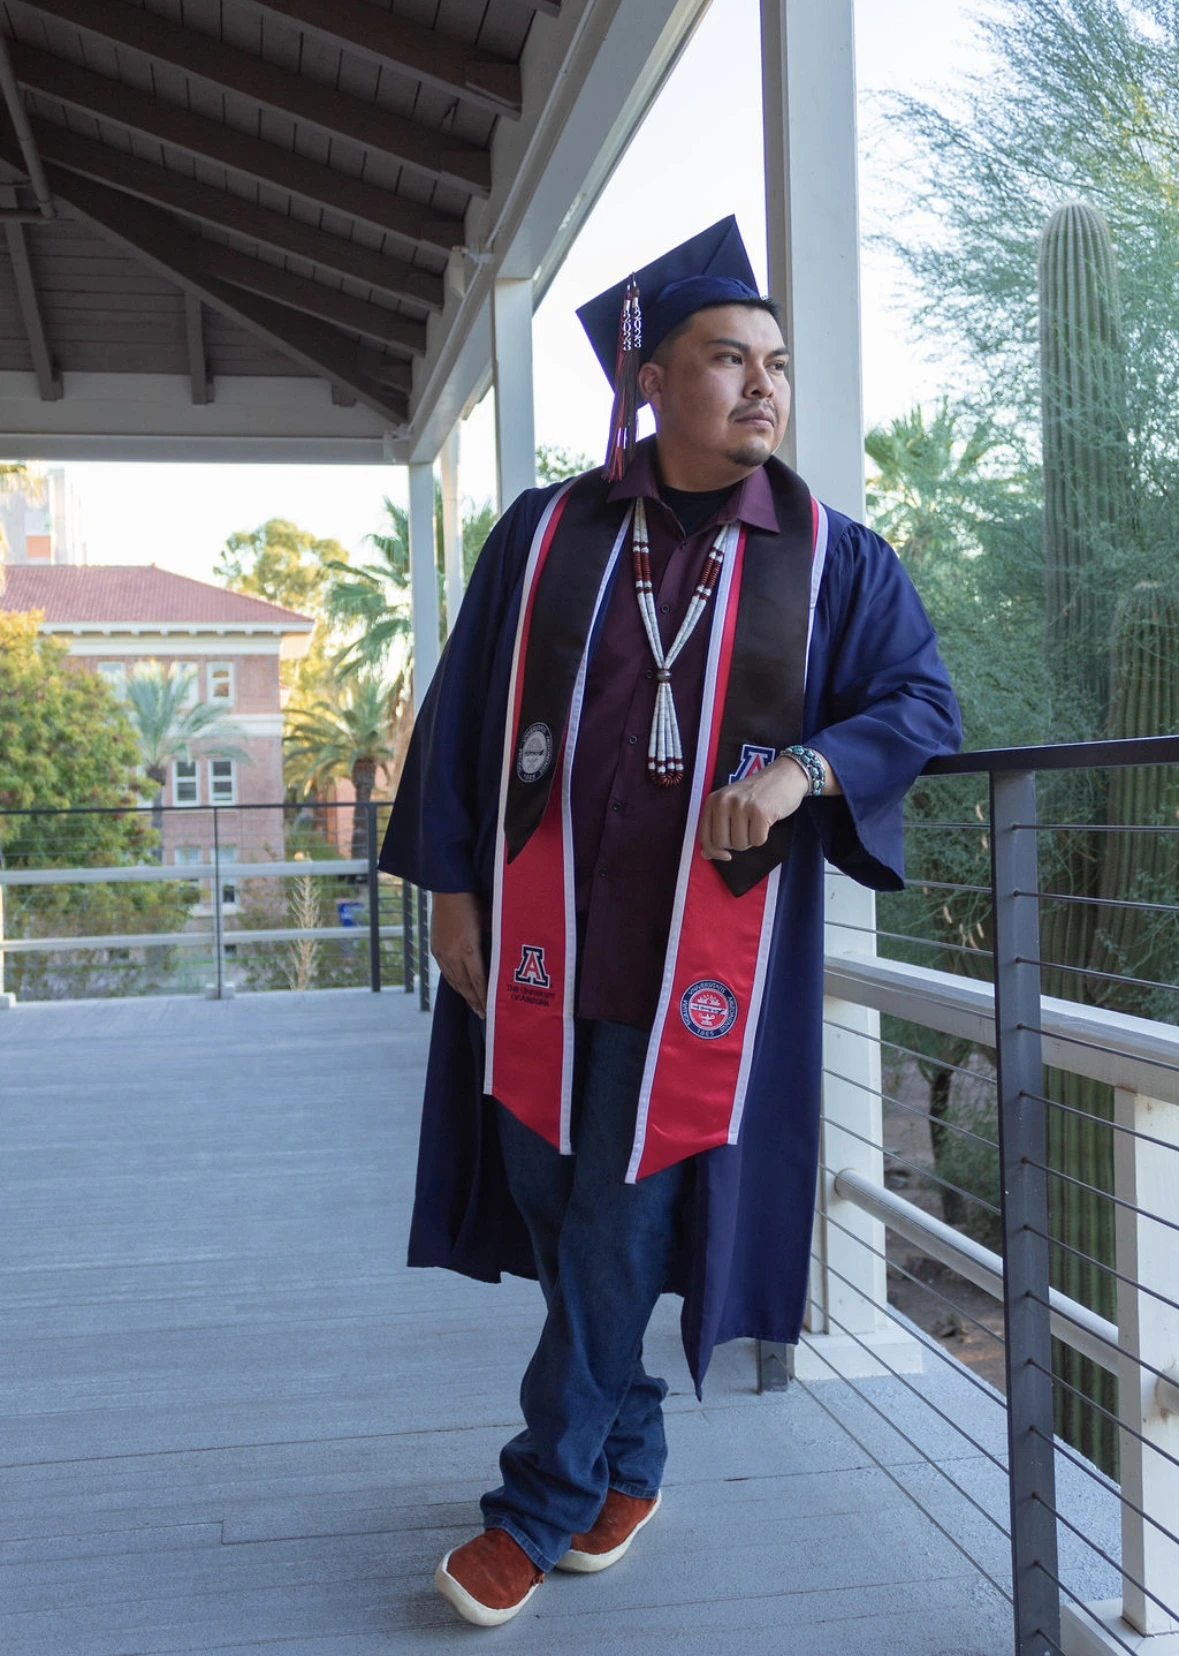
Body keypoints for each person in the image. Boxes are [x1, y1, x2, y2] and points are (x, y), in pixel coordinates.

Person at [378, 216, 962, 1629]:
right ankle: (629, 1456)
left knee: (612, 1228)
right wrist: (452, 891)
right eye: (725, 359)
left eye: (775, 362)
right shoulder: (549, 533)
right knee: (546, 1198)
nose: (762, 386)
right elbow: (462, 723)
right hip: (533, 944)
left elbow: (920, 706)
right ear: (649, 383)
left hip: (701, 967)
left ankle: (540, 1499)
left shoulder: (834, 558)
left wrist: (803, 767)